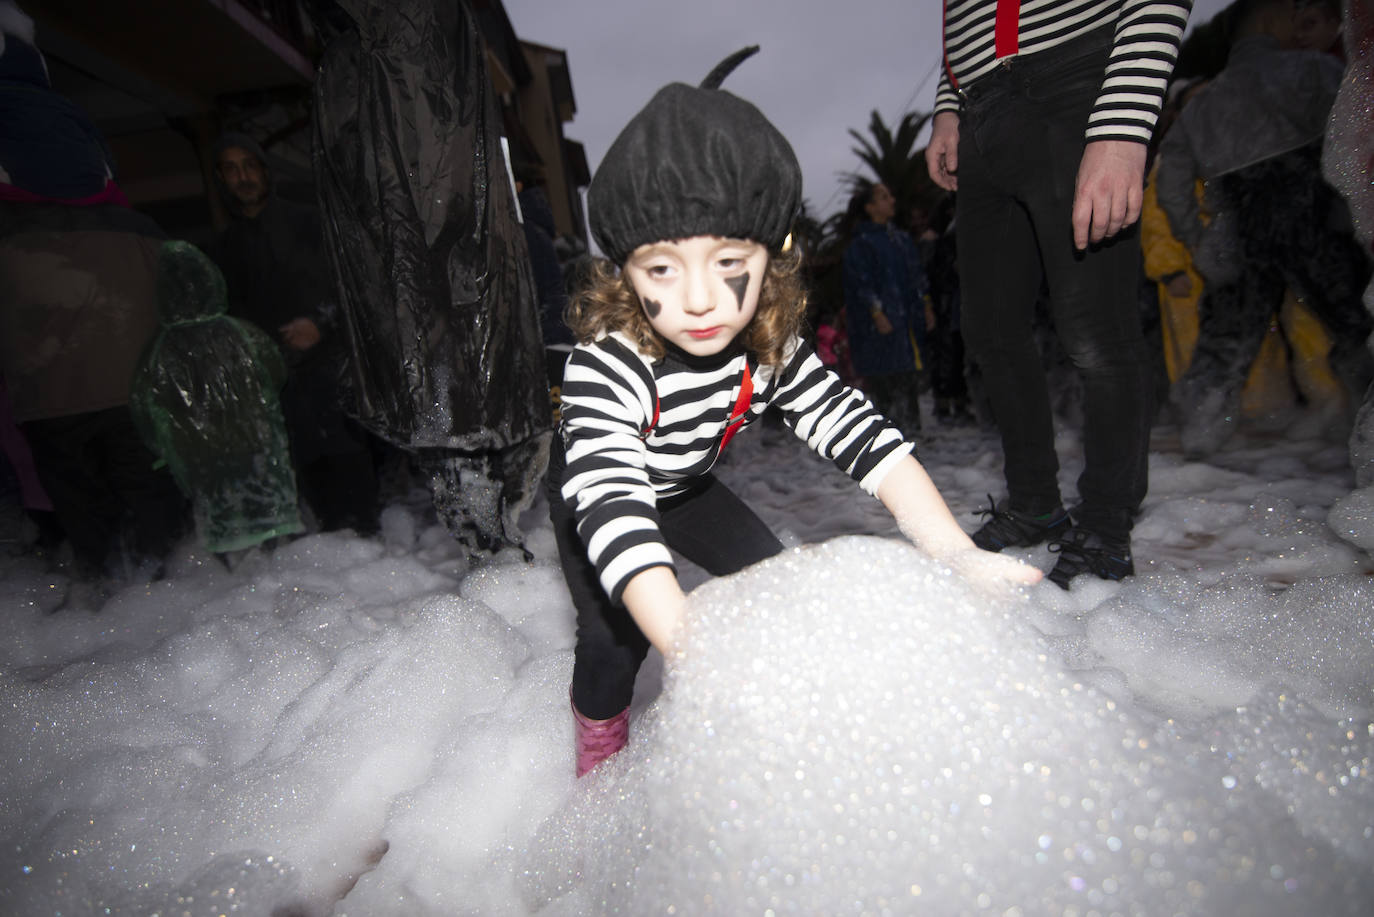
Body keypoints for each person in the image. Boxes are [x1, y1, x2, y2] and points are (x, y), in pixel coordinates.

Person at [551, 47, 1041, 778]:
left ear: (774, 254)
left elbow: (861, 434)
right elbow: (616, 505)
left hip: (685, 487)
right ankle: (599, 753)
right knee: (614, 640)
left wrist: (953, 550)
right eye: (662, 267)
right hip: (601, 492)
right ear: (623, 268)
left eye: (728, 264)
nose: (698, 298)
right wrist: (688, 641)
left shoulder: (764, 345)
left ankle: (792, 744)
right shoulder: (608, 363)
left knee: (773, 587)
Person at [925, 1, 1191, 589]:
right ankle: (1033, 504)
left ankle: (1105, 527)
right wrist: (948, 110)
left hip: (1073, 85)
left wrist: (1123, 124)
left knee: (1095, 330)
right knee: (990, 331)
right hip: (979, 113)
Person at [0, 2, 185, 587]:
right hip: (127, 373)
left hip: (49, 385)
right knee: (155, 513)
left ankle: (113, 604)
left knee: (90, 525)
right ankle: (173, 603)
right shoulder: (77, 128)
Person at [1156, 0, 1373, 456]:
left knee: (1224, 344)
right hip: (1312, 211)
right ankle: (1361, 434)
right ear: (1271, 23)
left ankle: (1202, 438)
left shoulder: (1204, 104)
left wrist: (1199, 239)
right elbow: (1355, 144)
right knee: (1353, 326)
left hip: (1237, 223)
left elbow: (1172, 185)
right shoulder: (1313, 71)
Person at [210, 132, 380, 536]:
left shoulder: (309, 223)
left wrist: (320, 324)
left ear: (265, 172)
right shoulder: (225, 247)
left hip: (333, 368)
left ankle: (370, 544)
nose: (242, 177)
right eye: (231, 170)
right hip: (277, 379)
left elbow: (353, 286)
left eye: (249, 166)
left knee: (351, 463)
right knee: (306, 469)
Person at [130, 241, 304, 555]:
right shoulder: (243, 334)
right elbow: (276, 373)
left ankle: (238, 579)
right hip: (257, 446)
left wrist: (165, 448)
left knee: (223, 526)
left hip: (201, 458)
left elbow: (145, 408)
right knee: (269, 520)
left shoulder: (158, 351)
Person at [841, 182, 929, 434]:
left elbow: (917, 277)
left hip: (905, 322)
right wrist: (876, 312)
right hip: (877, 325)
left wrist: (926, 306)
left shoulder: (900, 239)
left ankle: (913, 432)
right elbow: (860, 283)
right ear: (869, 208)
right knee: (884, 378)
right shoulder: (860, 245)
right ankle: (889, 435)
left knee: (907, 375)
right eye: (883, 197)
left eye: (890, 195)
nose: (891, 200)